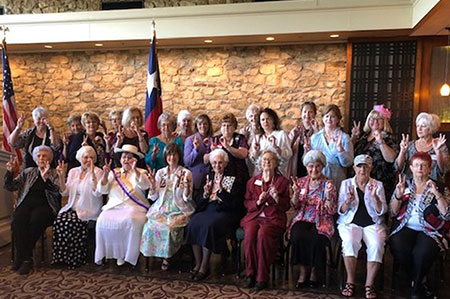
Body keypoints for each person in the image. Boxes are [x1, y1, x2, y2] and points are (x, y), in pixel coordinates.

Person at [390, 152, 450, 299]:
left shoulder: (440, 187)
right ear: (411, 168)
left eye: (424, 166)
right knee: (397, 245)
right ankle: (421, 280)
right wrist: (398, 195)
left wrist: (436, 194)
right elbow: (393, 212)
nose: (420, 169)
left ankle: (415, 288)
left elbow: (447, 214)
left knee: (422, 252)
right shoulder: (404, 185)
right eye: (416, 165)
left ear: (430, 168)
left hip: (430, 229)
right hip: (405, 226)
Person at [185, 149, 245, 281]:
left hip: (224, 211)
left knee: (208, 226)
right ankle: (198, 262)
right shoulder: (208, 177)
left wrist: (221, 191)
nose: (217, 166)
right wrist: (205, 194)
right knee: (193, 224)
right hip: (208, 208)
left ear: (225, 163)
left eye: (220, 163)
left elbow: (233, 203)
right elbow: (199, 201)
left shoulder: (229, 178)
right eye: (214, 163)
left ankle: (204, 266)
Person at [4, 145, 62, 275]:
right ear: (35, 158)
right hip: (26, 204)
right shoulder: (28, 171)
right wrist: (10, 172)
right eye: (39, 156)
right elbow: (10, 186)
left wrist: (45, 178)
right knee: (17, 220)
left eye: (44, 156)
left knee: (36, 219)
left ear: (49, 158)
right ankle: (26, 258)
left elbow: (57, 192)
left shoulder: (54, 172)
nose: (41, 158)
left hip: (46, 206)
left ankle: (22, 257)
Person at [337, 155, 388, 298]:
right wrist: (347, 201)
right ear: (354, 168)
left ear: (371, 168)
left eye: (366, 166)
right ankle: (350, 281)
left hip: (372, 223)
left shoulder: (378, 185)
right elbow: (340, 210)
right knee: (349, 241)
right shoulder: (346, 184)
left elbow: (382, 210)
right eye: (359, 166)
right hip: (350, 222)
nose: (362, 169)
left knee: (377, 244)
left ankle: (369, 284)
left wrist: (375, 198)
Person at [241, 150, 290, 291]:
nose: (267, 162)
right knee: (250, 233)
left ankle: (262, 276)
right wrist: (257, 202)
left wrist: (277, 199)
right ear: (259, 163)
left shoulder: (283, 182)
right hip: (255, 216)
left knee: (263, 234)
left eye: (270, 160)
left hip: (273, 218)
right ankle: (250, 273)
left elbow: (286, 206)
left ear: (276, 163)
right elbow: (247, 203)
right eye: (264, 160)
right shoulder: (252, 181)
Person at [140, 143, 195, 270]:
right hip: (162, 207)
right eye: (169, 154)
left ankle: (167, 257)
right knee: (149, 226)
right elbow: (153, 197)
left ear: (179, 156)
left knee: (170, 228)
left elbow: (187, 198)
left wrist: (186, 187)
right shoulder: (160, 172)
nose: (172, 158)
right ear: (165, 156)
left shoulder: (186, 173)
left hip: (178, 209)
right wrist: (153, 184)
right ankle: (155, 254)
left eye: (174, 154)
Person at [95, 144, 151, 266]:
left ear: (135, 159)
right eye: (124, 157)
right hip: (114, 207)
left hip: (135, 207)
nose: (126, 160)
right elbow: (102, 190)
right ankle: (113, 254)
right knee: (102, 220)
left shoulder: (142, 172)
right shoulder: (114, 173)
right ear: (120, 159)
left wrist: (135, 170)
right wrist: (105, 175)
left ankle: (128, 255)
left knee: (130, 220)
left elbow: (146, 186)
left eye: (130, 157)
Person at [289, 150, 337, 289]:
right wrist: (296, 194)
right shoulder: (301, 182)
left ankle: (314, 272)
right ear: (306, 167)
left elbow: (331, 210)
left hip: (322, 219)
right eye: (311, 166)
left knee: (317, 239)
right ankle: (303, 272)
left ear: (322, 167)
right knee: (298, 236)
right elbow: (295, 206)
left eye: (317, 166)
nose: (314, 169)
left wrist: (328, 196)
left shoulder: (328, 184)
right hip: (302, 217)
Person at [52, 146, 103, 268]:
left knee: (72, 223)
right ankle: (61, 258)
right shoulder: (73, 171)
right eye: (86, 157)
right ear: (80, 158)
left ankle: (75, 259)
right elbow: (64, 192)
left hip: (89, 209)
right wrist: (61, 176)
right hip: (72, 208)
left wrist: (91, 174)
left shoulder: (98, 172)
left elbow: (98, 192)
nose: (88, 160)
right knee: (59, 221)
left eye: (91, 157)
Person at [351, 105, 398, 200]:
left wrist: (381, 142)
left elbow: (391, 159)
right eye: (372, 118)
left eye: (379, 119)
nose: (375, 121)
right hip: (361, 180)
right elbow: (351, 155)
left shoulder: (389, 137)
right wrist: (354, 138)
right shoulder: (363, 137)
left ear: (384, 122)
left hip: (380, 180)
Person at [395, 112, 449, 184]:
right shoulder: (410, 145)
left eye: (423, 126)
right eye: (417, 126)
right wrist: (402, 151)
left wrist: (438, 151)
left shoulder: (440, 145)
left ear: (431, 128)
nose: (419, 129)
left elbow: (444, 169)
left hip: (433, 186)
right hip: (410, 185)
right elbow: (398, 167)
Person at [310, 104, 353, 188]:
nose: (329, 119)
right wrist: (307, 150)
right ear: (322, 118)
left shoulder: (344, 138)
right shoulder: (315, 137)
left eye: (332, 116)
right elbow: (310, 161)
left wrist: (340, 149)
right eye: (326, 116)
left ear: (338, 119)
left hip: (336, 178)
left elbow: (348, 163)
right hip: (318, 177)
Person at [206, 113, 249, 187]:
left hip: (238, 175)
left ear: (234, 127)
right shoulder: (215, 140)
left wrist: (228, 147)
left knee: (233, 196)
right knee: (221, 195)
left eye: (229, 125)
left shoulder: (240, 138)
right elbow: (205, 160)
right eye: (224, 125)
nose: (226, 128)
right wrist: (212, 152)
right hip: (220, 176)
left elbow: (243, 154)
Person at [249, 108, 292, 177]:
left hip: (278, 173)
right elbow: (254, 161)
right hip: (261, 174)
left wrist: (276, 148)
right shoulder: (258, 138)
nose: (265, 122)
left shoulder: (281, 134)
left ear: (273, 120)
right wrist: (255, 152)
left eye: (268, 119)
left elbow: (288, 154)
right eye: (263, 120)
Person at [287, 101, 321, 178]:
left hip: (314, 167)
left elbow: (321, 148)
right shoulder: (296, 130)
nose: (307, 115)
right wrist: (294, 137)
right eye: (304, 112)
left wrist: (316, 131)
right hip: (297, 166)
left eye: (310, 112)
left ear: (314, 114)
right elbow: (287, 149)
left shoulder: (319, 130)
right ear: (301, 114)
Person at [184, 114, 214, 199]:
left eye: (205, 124)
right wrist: (195, 150)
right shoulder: (190, 140)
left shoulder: (213, 140)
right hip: (196, 180)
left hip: (211, 178)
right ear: (196, 126)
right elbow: (187, 162)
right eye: (200, 124)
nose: (203, 126)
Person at [239, 104, 262, 177]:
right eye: (251, 116)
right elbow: (242, 148)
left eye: (256, 115)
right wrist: (245, 137)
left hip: (260, 159)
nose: (254, 118)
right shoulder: (245, 131)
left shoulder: (263, 129)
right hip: (248, 161)